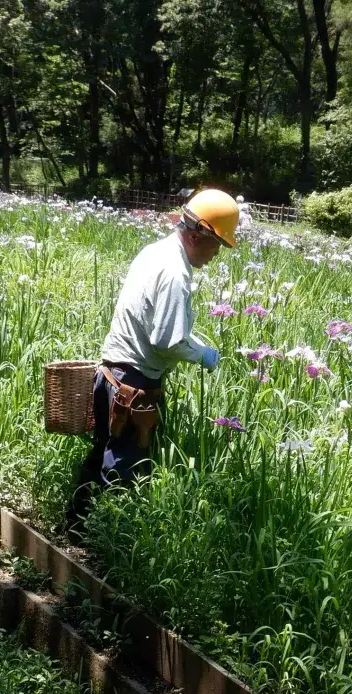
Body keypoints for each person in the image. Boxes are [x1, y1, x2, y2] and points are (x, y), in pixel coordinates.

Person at [71, 189, 240, 526]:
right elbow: (166, 340)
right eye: (216, 245)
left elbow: (151, 318)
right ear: (196, 236)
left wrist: (191, 339)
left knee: (100, 456)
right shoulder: (176, 274)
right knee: (124, 469)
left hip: (110, 375)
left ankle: (73, 531)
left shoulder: (155, 252)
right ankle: (105, 554)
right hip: (135, 384)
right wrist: (201, 354)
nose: (215, 255)